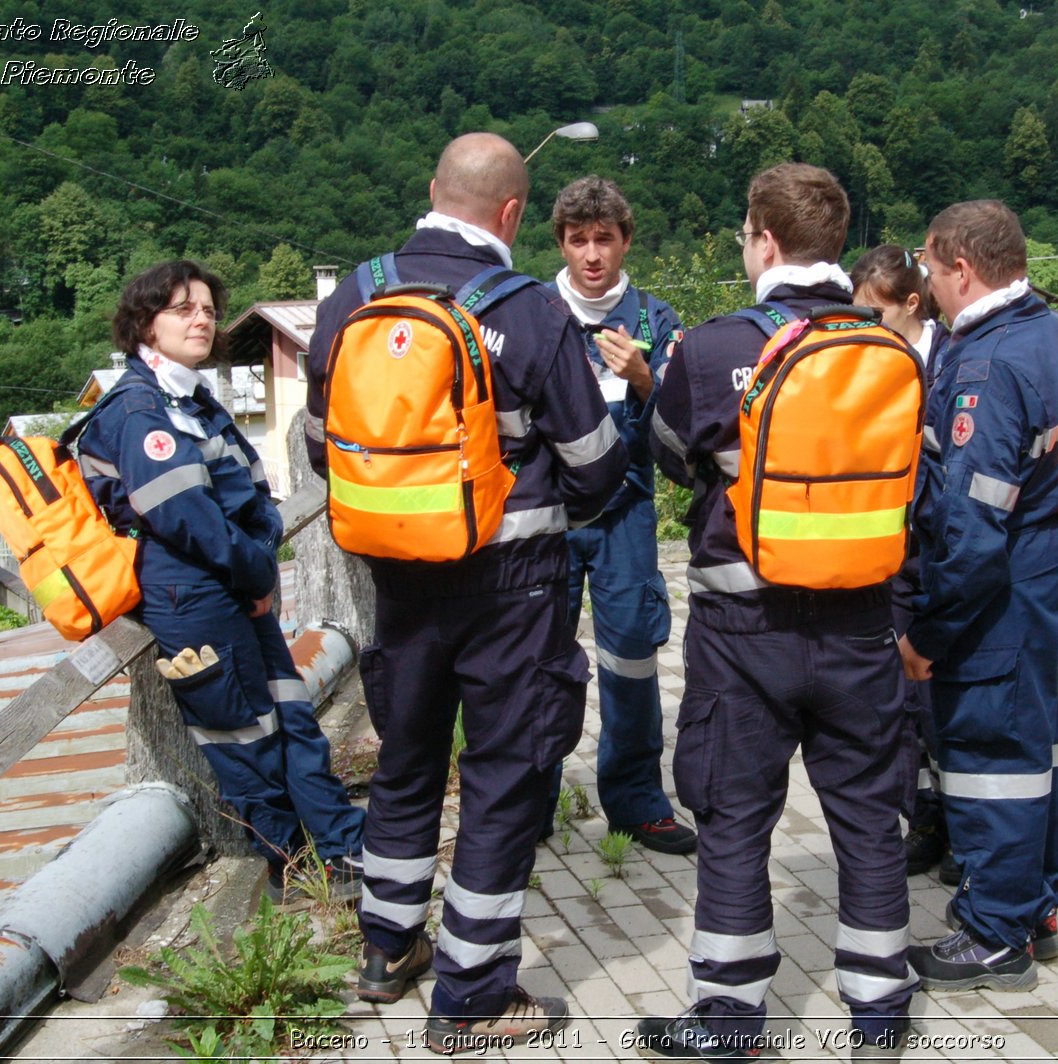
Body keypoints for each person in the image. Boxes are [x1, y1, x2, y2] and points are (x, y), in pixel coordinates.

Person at [304, 133, 628, 1049]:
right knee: (503, 776)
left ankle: (386, 950)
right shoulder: (528, 313)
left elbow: (319, 443)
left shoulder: (355, 297)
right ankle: (474, 993)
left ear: (431, 191)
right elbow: (596, 470)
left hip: (395, 581)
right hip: (510, 585)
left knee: (406, 761)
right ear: (515, 214)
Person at [640, 164, 918, 1059]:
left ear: (762, 240)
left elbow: (674, 454)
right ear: (836, 245)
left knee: (732, 819)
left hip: (742, 632)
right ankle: (881, 1017)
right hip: (862, 627)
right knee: (872, 819)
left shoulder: (715, 346)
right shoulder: (891, 351)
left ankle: (729, 1022)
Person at [77, 260, 365, 906]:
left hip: (232, 584)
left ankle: (345, 847)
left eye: (207, 308)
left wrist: (256, 560)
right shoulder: (138, 409)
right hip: (194, 596)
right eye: (182, 309)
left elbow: (239, 497)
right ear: (143, 324)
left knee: (293, 720)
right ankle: (290, 870)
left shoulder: (190, 399)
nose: (201, 318)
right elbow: (185, 517)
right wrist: (257, 568)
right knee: (244, 739)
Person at [903, 201, 1058, 991]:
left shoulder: (987, 366)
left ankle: (996, 932)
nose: (930, 288)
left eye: (933, 272)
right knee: (1037, 736)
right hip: (1047, 568)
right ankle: (1036, 901)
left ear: (962, 268)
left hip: (1002, 584)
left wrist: (929, 634)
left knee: (990, 752)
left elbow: (975, 530)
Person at [544, 175, 695, 855]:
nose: (592, 253)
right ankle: (529, 803)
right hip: (544, 515)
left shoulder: (656, 321)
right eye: (579, 240)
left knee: (632, 654)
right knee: (536, 661)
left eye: (604, 238)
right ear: (562, 244)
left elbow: (682, 428)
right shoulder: (535, 314)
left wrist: (644, 379)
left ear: (626, 240)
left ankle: (635, 801)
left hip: (626, 512)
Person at [849, 247, 953, 879]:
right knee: (898, 699)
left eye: (874, 311)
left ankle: (955, 819)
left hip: (935, 551)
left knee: (936, 697)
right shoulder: (872, 359)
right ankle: (922, 816)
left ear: (912, 303)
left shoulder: (947, 358)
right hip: (889, 546)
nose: (865, 324)